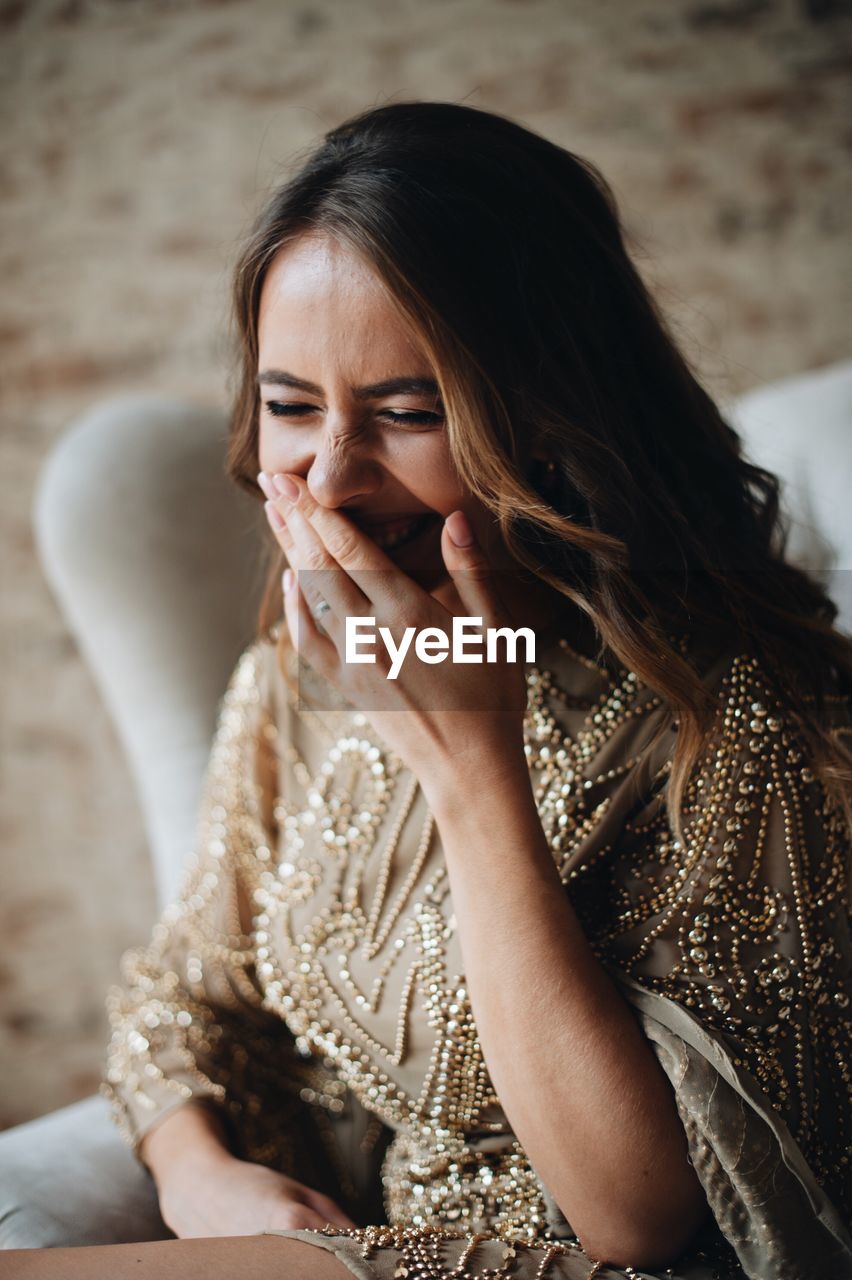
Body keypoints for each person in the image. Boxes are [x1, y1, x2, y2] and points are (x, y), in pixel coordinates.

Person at [16, 100, 852, 1280]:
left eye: (411, 412)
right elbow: (181, 993)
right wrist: (197, 1168)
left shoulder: (742, 723)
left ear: (556, 415)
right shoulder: (297, 676)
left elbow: (647, 1223)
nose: (335, 478)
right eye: (293, 405)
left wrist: (471, 768)